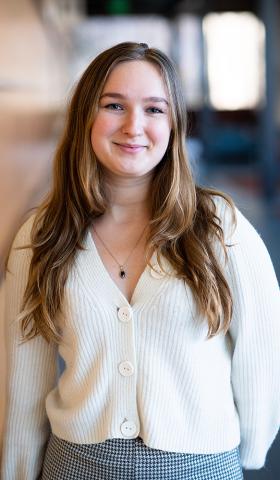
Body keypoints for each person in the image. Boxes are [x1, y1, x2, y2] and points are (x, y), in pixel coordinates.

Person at [1, 41, 280, 480]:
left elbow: (261, 352)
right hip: (75, 466)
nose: (134, 126)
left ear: (173, 125)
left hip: (202, 466)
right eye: (114, 105)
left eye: (154, 109)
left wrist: (248, 451)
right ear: (84, 117)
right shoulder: (39, 237)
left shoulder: (219, 227)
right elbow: (23, 382)